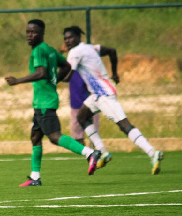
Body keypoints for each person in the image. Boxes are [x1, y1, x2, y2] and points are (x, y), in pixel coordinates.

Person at [5, 19, 102, 185]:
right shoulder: (49, 50)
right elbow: (65, 65)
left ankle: (89, 153)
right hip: (42, 102)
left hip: (45, 103)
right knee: (35, 137)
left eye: (34, 32)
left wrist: (18, 81)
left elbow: (41, 73)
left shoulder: (39, 51)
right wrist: (55, 79)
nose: (29, 35)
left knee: (55, 137)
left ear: (42, 33)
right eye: (28, 31)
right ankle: (35, 177)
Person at [62, 26, 164, 174]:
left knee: (124, 124)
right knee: (82, 116)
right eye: (65, 38)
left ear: (78, 37)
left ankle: (152, 152)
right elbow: (112, 51)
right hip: (97, 94)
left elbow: (68, 74)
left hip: (104, 94)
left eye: (70, 37)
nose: (67, 40)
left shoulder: (75, 52)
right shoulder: (91, 48)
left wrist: (51, 79)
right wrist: (114, 74)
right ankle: (102, 151)